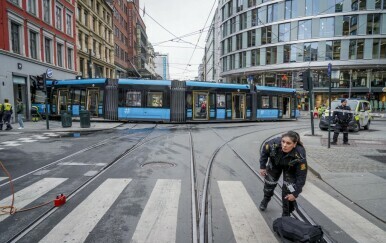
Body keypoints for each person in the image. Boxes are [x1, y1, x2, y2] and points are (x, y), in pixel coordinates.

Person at [259, 131, 308, 216]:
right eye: (283, 142)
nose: (284, 145)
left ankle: (286, 213)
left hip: (290, 168)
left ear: (295, 144)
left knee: (289, 189)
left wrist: (295, 193)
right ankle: (266, 199)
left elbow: (302, 176)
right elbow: (264, 152)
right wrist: (262, 166)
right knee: (269, 184)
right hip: (275, 163)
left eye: (288, 143)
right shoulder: (273, 144)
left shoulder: (300, 154)